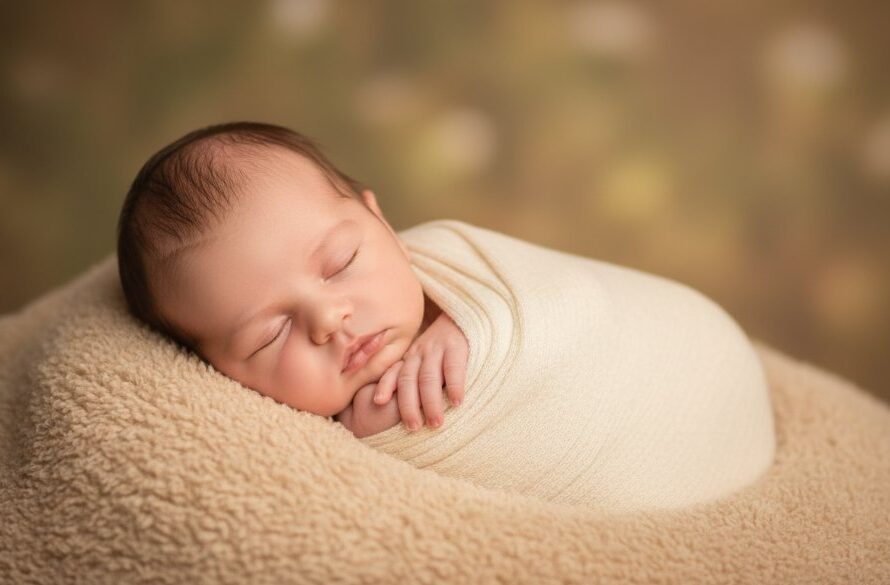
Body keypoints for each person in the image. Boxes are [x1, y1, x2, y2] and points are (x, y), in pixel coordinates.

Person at [117, 121, 469, 439]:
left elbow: (523, 282)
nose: (327, 319)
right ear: (218, 374)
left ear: (384, 225)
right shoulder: (297, 447)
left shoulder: (464, 262)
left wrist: (471, 324)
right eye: (271, 335)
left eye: (341, 263)